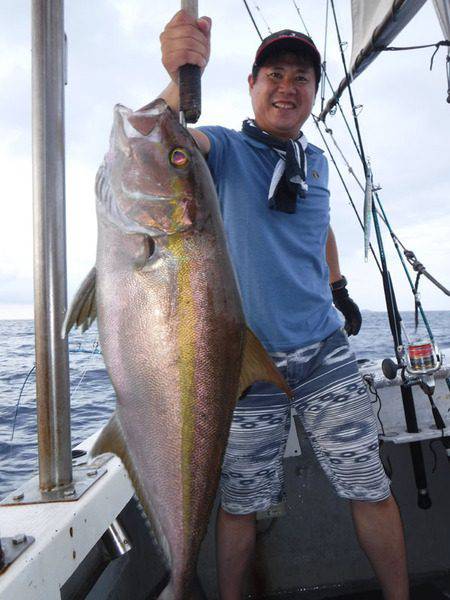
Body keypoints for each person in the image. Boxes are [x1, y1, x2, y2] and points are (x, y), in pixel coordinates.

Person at [159, 10, 409, 600]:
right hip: (247, 365)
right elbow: (163, 139)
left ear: (313, 93)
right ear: (251, 84)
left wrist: (339, 285)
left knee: (370, 486)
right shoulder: (220, 148)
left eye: (301, 77)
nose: (287, 87)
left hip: (325, 353)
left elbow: (318, 227)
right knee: (240, 502)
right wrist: (177, 75)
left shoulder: (314, 163)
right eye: (274, 74)